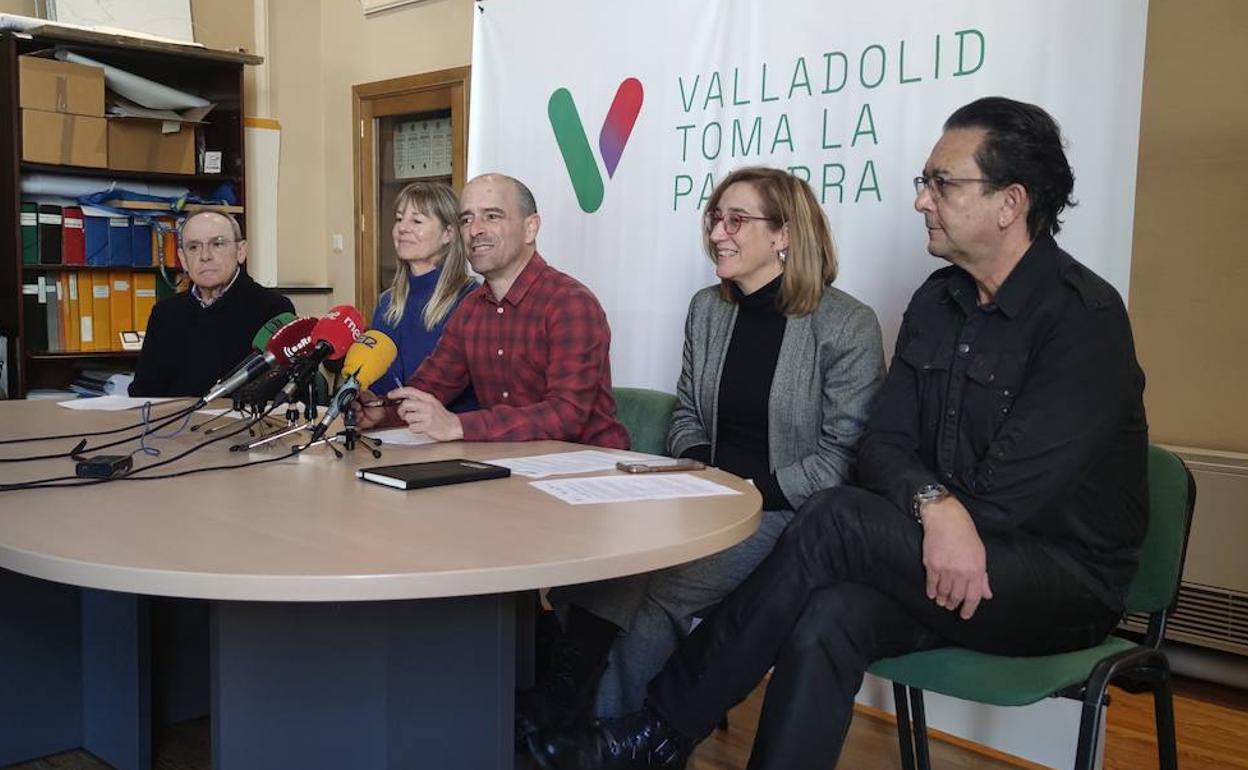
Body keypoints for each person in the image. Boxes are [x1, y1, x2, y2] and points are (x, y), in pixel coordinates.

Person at [528, 96, 1149, 770]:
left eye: (942, 183)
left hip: (1055, 581)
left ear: (1010, 202)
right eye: (925, 183)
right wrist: (933, 505)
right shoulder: (938, 303)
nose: (921, 201)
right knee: (827, 617)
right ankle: (634, 731)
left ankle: (657, 730)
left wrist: (929, 505)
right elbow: (884, 445)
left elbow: (1008, 498)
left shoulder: (1083, 319)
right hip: (943, 557)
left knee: (834, 517)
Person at [521, 168, 885, 740]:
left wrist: (741, 492)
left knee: (655, 595)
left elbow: (841, 461)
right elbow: (688, 413)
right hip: (702, 494)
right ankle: (558, 718)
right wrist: (700, 471)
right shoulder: (708, 309)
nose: (719, 231)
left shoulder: (846, 325)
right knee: (600, 570)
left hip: (787, 515)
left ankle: (610, 742)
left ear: (785, 233)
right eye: (715, 217)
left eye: (737, 219)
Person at [356, 173, 629, 449]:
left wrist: (457, 425)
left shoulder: (570, 303)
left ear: (530, 228)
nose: (475, 230)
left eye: (492, 216)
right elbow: (429, 387)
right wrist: (383, 413)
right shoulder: (471, 311)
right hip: (510, 466)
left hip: (587, 469)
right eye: (466, 219)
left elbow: (566, 416)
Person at [130, 211, 294, 397]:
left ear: (241, 251)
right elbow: (143, 392)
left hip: (241, 422)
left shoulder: (272, 308)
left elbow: (278, 389)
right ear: (183, 259)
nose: (205, 256)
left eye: (217, 244)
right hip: (174, 422)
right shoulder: (165, 313)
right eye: (193, 247)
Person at [369, 181, 478, 410]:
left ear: (448, 233)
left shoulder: (470, 299)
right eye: (399, 219)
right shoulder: (386, 303)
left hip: (451, 436)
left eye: (416, 221)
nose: (403, 228)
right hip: (391, 432)